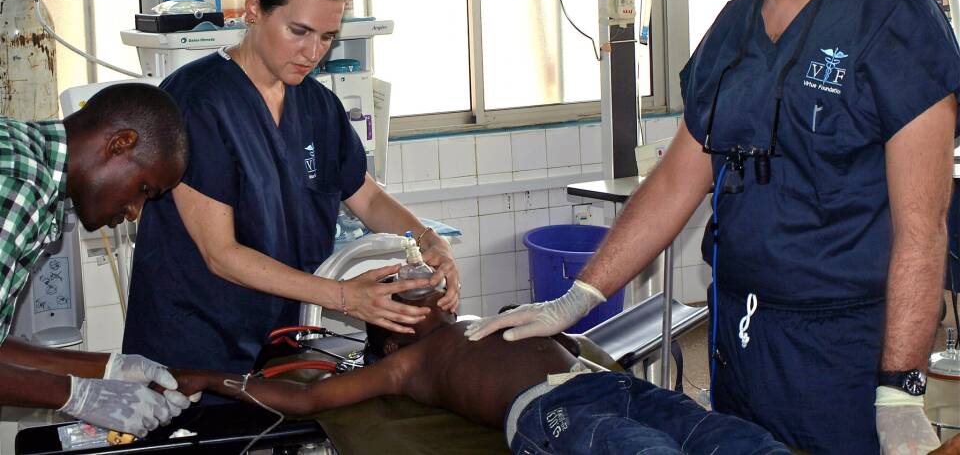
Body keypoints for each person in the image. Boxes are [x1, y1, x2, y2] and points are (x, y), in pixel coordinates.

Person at [467, 0, 960, 455]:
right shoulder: (734, 26)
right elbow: (677, 178)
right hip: (741, 342)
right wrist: (580, 296)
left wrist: (900, 387)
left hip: (843, 352)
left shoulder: (895, 23)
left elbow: (922, 231)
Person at [123, 0, 461, 384]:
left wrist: (427, 239)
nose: (313, 52)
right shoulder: (196, 103)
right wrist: (345, 297)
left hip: (277, 345)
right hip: (192, 350)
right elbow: (221, 255)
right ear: (254, 8)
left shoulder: (317, 106)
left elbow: (365, 196)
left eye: (327, 37)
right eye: (298, 31)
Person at [172, 287, 794, 454]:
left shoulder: (473, 321)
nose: (409, 293)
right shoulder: (407, 366)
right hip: (549, 417)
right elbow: (310, 400)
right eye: (393, 301)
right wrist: (209, 379)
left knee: (720, 435)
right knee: (642, 451)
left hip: (605, 383)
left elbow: (566, 335)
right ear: (387, 340)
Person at [0, 83, 192, 437]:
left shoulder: (18, 146)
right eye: (144, 190)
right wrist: (78, 396)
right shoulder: (22, 184)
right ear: (120, 144)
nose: (134, 211)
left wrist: (108, 369)